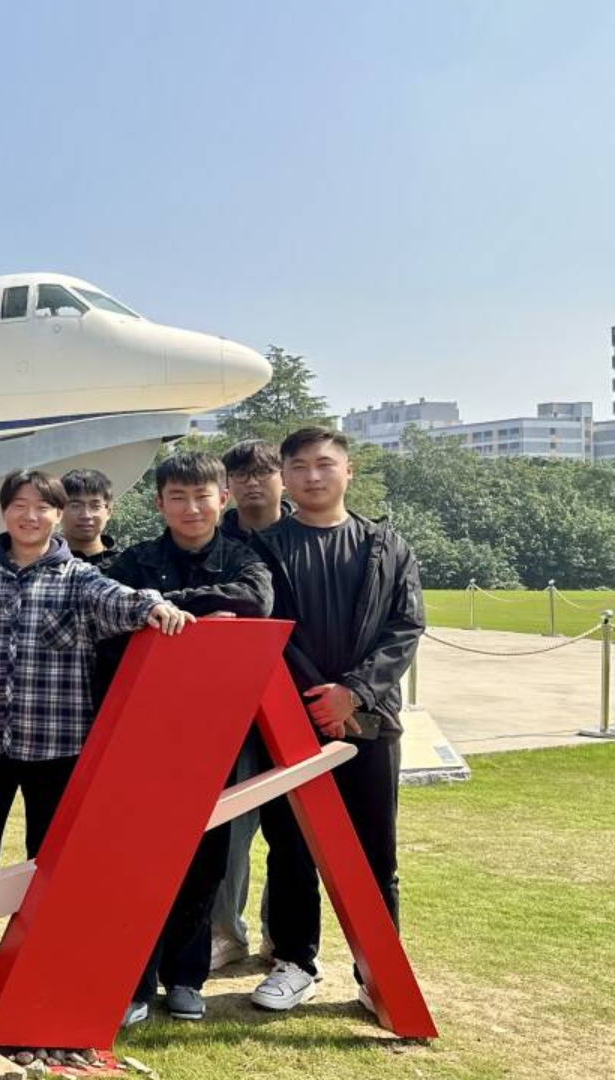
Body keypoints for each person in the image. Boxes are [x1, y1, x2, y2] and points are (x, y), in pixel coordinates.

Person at [0, 471, 191, 960]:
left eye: (42, 507)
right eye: (19, 505)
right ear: (4, 512)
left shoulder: (77, 577)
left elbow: (117, 600)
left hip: (57, 746)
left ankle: (38, 957)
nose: (30, 516)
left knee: (49, 860)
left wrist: (153, 606)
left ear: (57, 515)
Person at [247, 428, 423, 1015]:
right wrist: (318, 700)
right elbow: (269, 629)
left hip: (370, 722)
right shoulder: (263, 548)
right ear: (284, 477)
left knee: (376, 853)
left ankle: (378, 973)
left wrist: (355, 693)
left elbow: (405, 626)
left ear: (348, 471)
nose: (312, 476)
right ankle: (295, 961)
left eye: (325, 464)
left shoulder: (385, 544)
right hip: (289, 721)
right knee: (291, 847)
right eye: (299, 466)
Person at [98, 452, 273, 1025]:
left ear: (223, 498)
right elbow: (110, 613)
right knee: (138, 860)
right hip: (143, 729)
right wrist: (185, 611)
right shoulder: (136, 561)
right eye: (178, 497)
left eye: (203, 496)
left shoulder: (244, 558)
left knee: (204, 860)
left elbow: (253, 601)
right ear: (159, 503)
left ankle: (186, 978)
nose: (192, 508)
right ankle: (134, 980)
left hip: (216, 731)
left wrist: (165, 609)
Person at [212, 437, 293, 968]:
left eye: (262, 472)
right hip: (231, 705)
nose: (251, 482)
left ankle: (282, 936)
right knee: (228, 828)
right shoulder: (212, 542)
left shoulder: (305, 536)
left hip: (294, 700)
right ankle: (225, 931)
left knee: (292, 831)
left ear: (281, 477)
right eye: (240, 474)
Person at [60, 468, 118, 567]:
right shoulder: (41, 564)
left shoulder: (126, 566)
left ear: (108, 512)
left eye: (95, 506)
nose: (86, 515)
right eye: (75, 506)